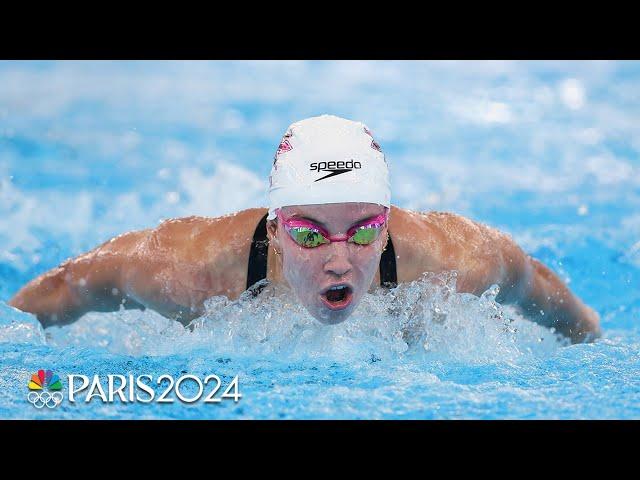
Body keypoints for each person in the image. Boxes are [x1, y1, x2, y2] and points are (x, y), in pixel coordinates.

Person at [8, 115, 601, 343]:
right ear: (275, 225)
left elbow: (538, 285)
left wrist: (589, 341)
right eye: (311, 235)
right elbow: (63, 288)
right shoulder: (187, 271)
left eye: (364, 231)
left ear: (387, 221)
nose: (340, 260)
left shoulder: (451, 261)